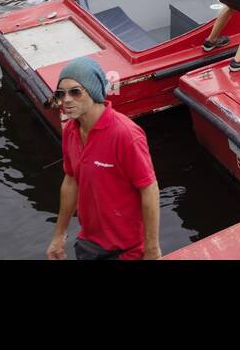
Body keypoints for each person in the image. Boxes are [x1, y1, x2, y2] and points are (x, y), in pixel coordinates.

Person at [46, 56, 161, 260]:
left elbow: (149, 189)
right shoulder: (70, 130)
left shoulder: (125, 134)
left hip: (127, 249)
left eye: (75, 92)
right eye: (60, 94)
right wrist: (58, 236)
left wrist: (152, 250)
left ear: (94, 91)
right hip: (89, 242)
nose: (67, 100)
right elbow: (71, 181)